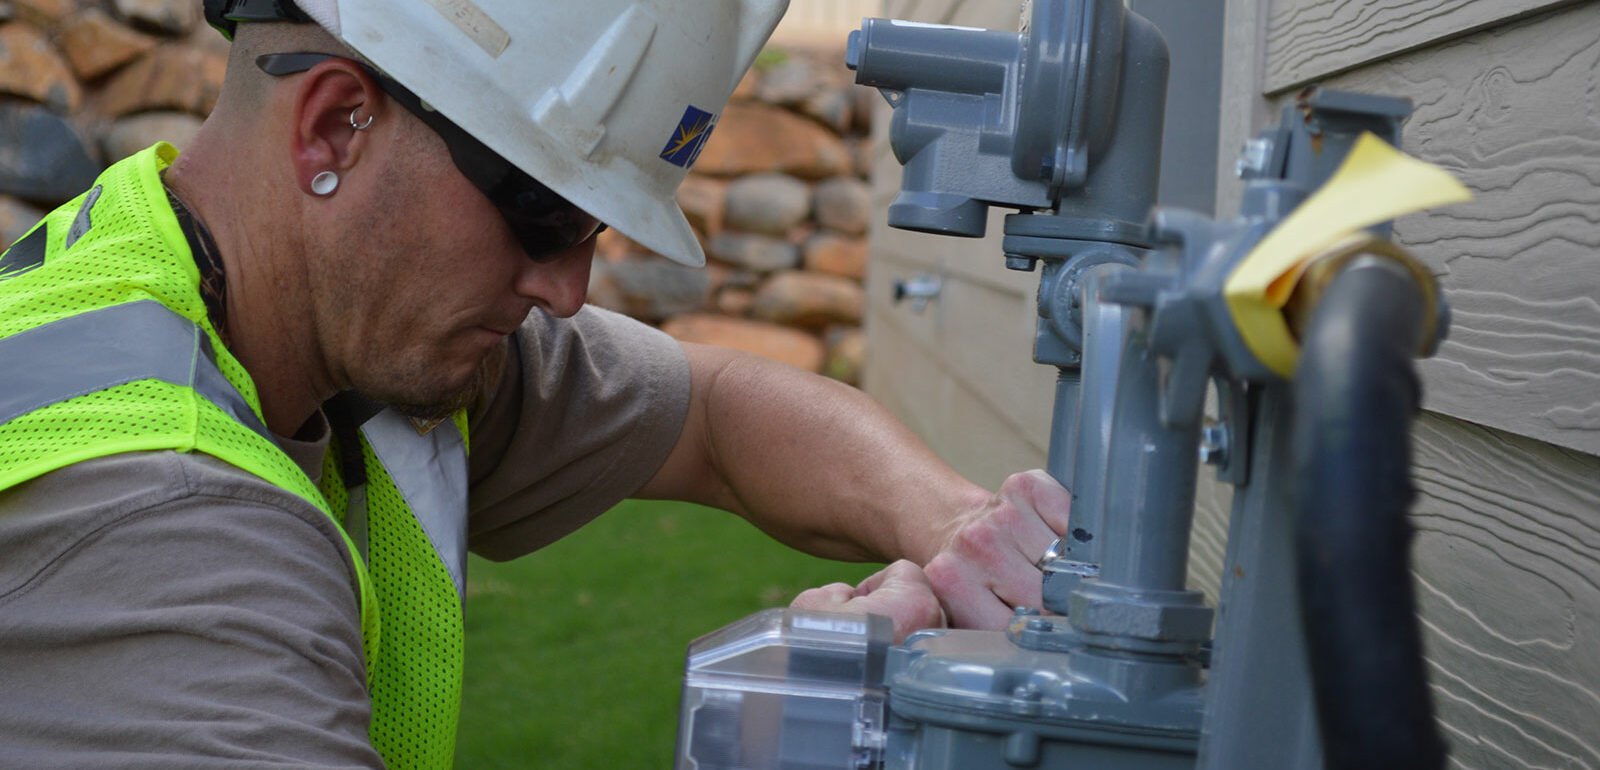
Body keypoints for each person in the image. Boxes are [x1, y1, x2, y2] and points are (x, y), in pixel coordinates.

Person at [0, 1, 1070, 767]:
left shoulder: (289, 311)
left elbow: (715, 409)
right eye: (543, 213)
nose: (566, 287)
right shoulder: (166, 527)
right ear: (332, 124)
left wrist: (965, 531)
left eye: (591, 226)